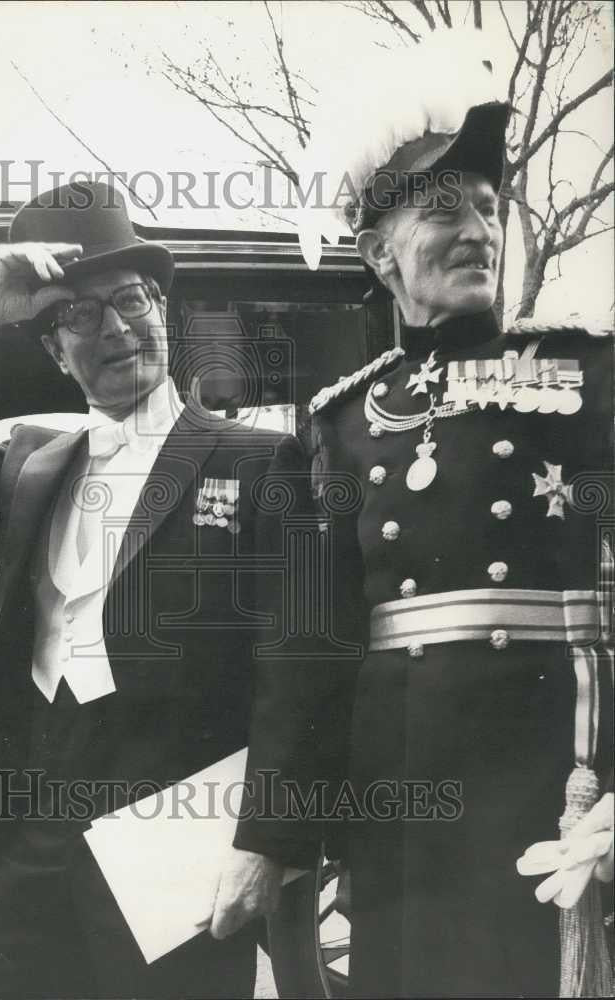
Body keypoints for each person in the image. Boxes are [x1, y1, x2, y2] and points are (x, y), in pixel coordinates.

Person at [0, 181, 337, 999]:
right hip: (31, 831)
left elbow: (300, 665)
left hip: (171, 843)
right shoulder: (31, 462)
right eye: (80, 315)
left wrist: (267, 840)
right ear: (52, 349)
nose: (116, 328)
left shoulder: (261, 461)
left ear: (163, 310)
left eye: (131, 300)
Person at [298, 30, 614, 998]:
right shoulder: (340, 422)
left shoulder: (585, 370)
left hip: (546, 782)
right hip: (394, 794)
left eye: (486, 206)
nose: (477, 228)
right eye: (442, 211)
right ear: (375, 256)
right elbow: (310, 646)